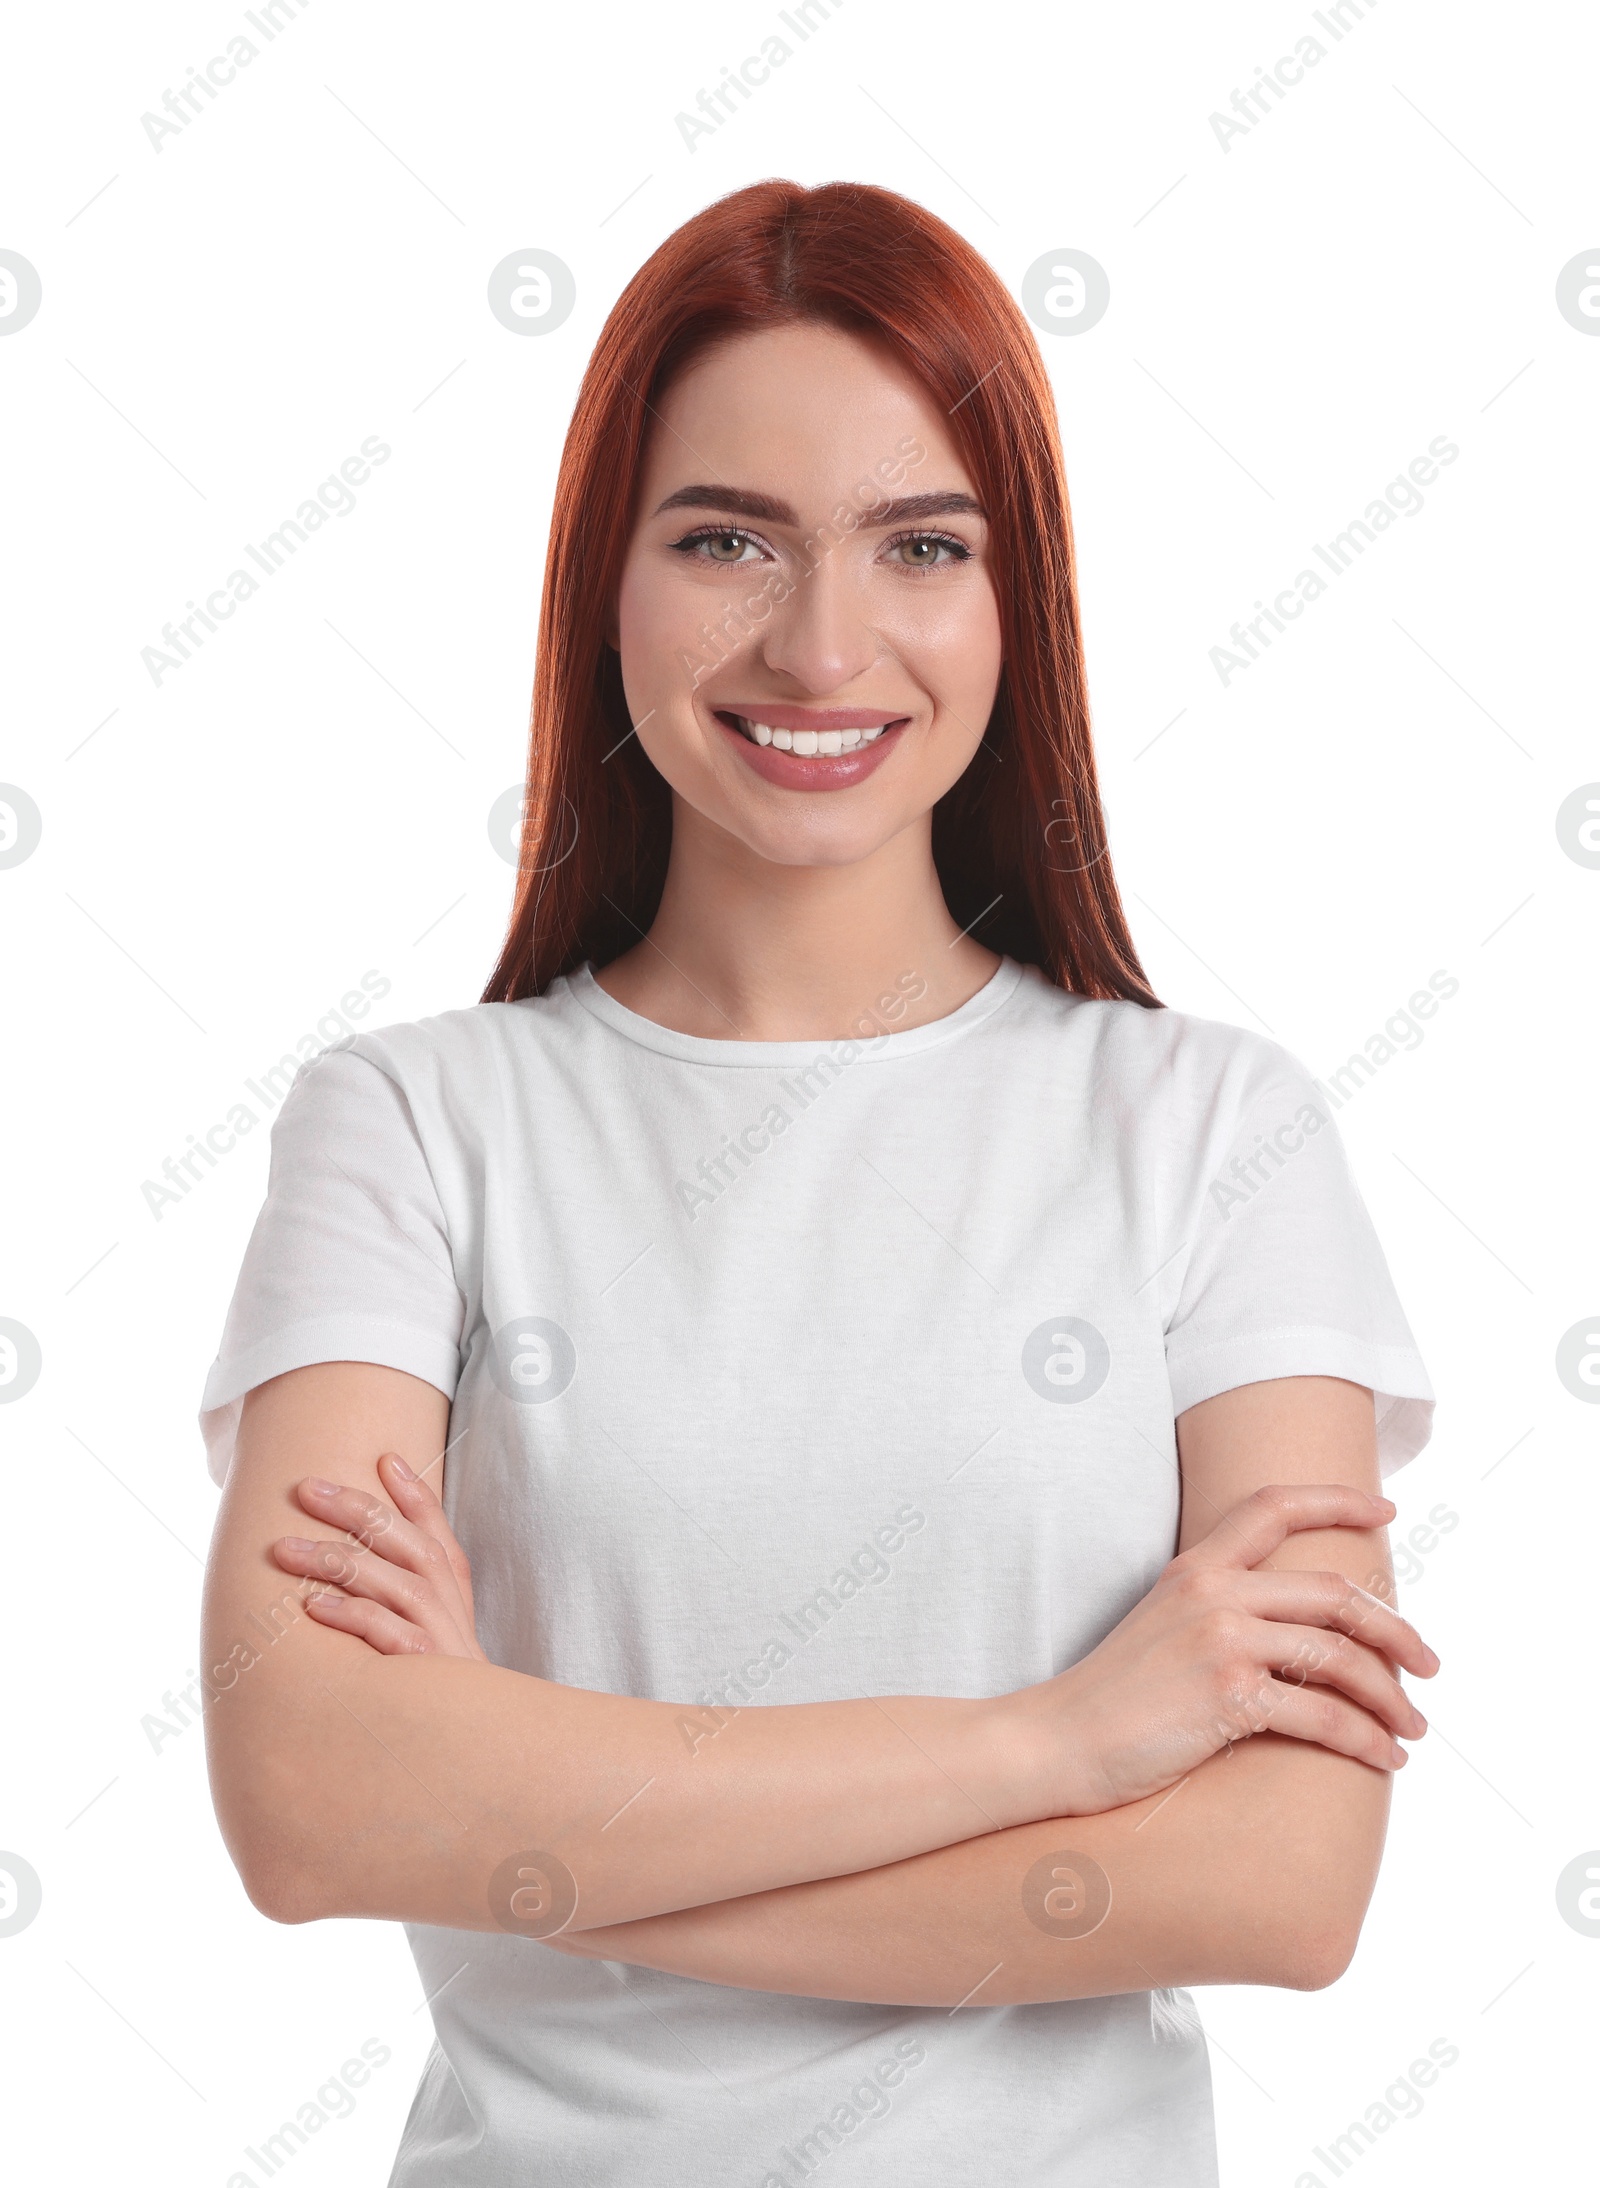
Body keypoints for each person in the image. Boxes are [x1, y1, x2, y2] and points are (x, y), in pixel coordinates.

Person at [198, 179, 1439, 2187]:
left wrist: (532, 1825)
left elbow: (1279, 1873)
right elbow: (312, 1798)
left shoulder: (1216, 1131)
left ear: (1011, 593)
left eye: (918, 545)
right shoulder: (412, 1125)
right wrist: (1059, 1745)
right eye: (723, 540)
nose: (819, 641)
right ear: (606, 575)